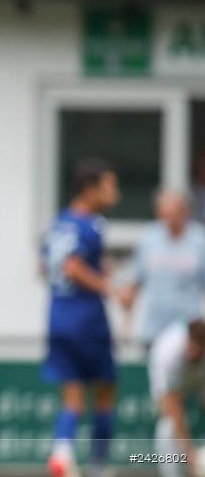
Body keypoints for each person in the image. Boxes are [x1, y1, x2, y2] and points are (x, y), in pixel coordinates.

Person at [42, 159, 121, 477]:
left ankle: (62, 454)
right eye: (110, 186)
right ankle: (99, 466)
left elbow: (44, 268)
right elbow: (72, 267)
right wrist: (109, 287)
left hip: (58, 317)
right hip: (87, 320)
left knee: (72, 398)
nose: (115, 193)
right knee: (106, 391)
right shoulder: (91, 226)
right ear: (91, 190)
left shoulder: (58, 223)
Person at [120, 191, 205, 344]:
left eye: (172, 213)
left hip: (188, 332)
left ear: (185, 213)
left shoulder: (200, 241)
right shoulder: (149, 238)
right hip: (154, 329)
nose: (167, 219)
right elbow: (136, 279)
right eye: (163, 214)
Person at [148, 319, 205, 477]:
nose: (192, 352)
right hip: (171, 370)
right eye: (190, 346)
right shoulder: (168, 353)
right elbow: (174, 409)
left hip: (200, 373)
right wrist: (190, 455)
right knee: (169, 424)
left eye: (197, 349)